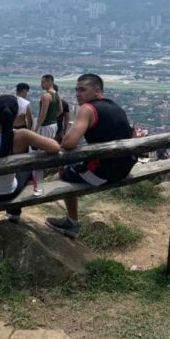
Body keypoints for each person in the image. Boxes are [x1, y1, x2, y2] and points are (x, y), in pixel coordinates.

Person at [46, 73, 137, 237]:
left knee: (64, 172)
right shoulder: (115, 106)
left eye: (82, 89)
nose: (77, 94)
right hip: (125, 168)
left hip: (105, 174)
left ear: (97, 91)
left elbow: (68, 143)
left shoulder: (87, 109)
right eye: (76, 90)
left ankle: (72, 223)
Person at [0, 95, 61, 221]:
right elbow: (55, 147)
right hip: (5, 195)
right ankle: (14, 213)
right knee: (26, 169)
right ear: (16, 116)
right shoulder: (23, 135)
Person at [35, 74, 61, 139]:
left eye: (43, 82)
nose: (41, 84)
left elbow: (43, 114)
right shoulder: (57, 94)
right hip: (54, 125)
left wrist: (37, 128)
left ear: (49, 82)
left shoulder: (46, 96)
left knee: (42, 147)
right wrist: (52, 117)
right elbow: (60, 110)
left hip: (45, 126)